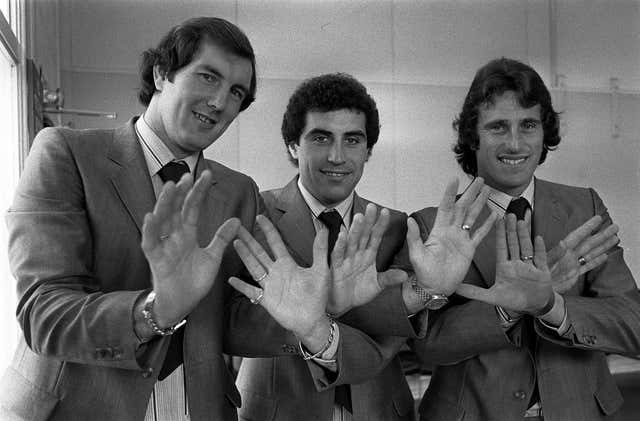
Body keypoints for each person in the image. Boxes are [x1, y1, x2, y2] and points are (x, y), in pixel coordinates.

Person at [0, 17, 260, 420]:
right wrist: (155, 311)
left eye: (236, 92)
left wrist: (305, 322)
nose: (220, 101)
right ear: (161, 73)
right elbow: (44, 312)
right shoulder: (66, 154)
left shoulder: (238, 191)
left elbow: (230, 319)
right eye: (208, 77)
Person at [224, 73, 495, 420]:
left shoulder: (396, 226)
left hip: (380, 409)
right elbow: (231, 323)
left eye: (352, 140)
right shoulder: (255, 213)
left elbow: (389, 338)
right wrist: (314, 318)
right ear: (293, 145)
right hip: (278, 410)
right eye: (321, 138)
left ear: (368, 151)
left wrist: (427, 291)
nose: (337, 156)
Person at [410, 57, 640, 421]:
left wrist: (552, 305)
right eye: (498, 127)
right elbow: (425, 346)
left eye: (528, 125)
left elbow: (634, 324)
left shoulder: (585, 207)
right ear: (473, 136)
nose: (515, 143)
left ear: (544, 132)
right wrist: (506, 308)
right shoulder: (432, 226)